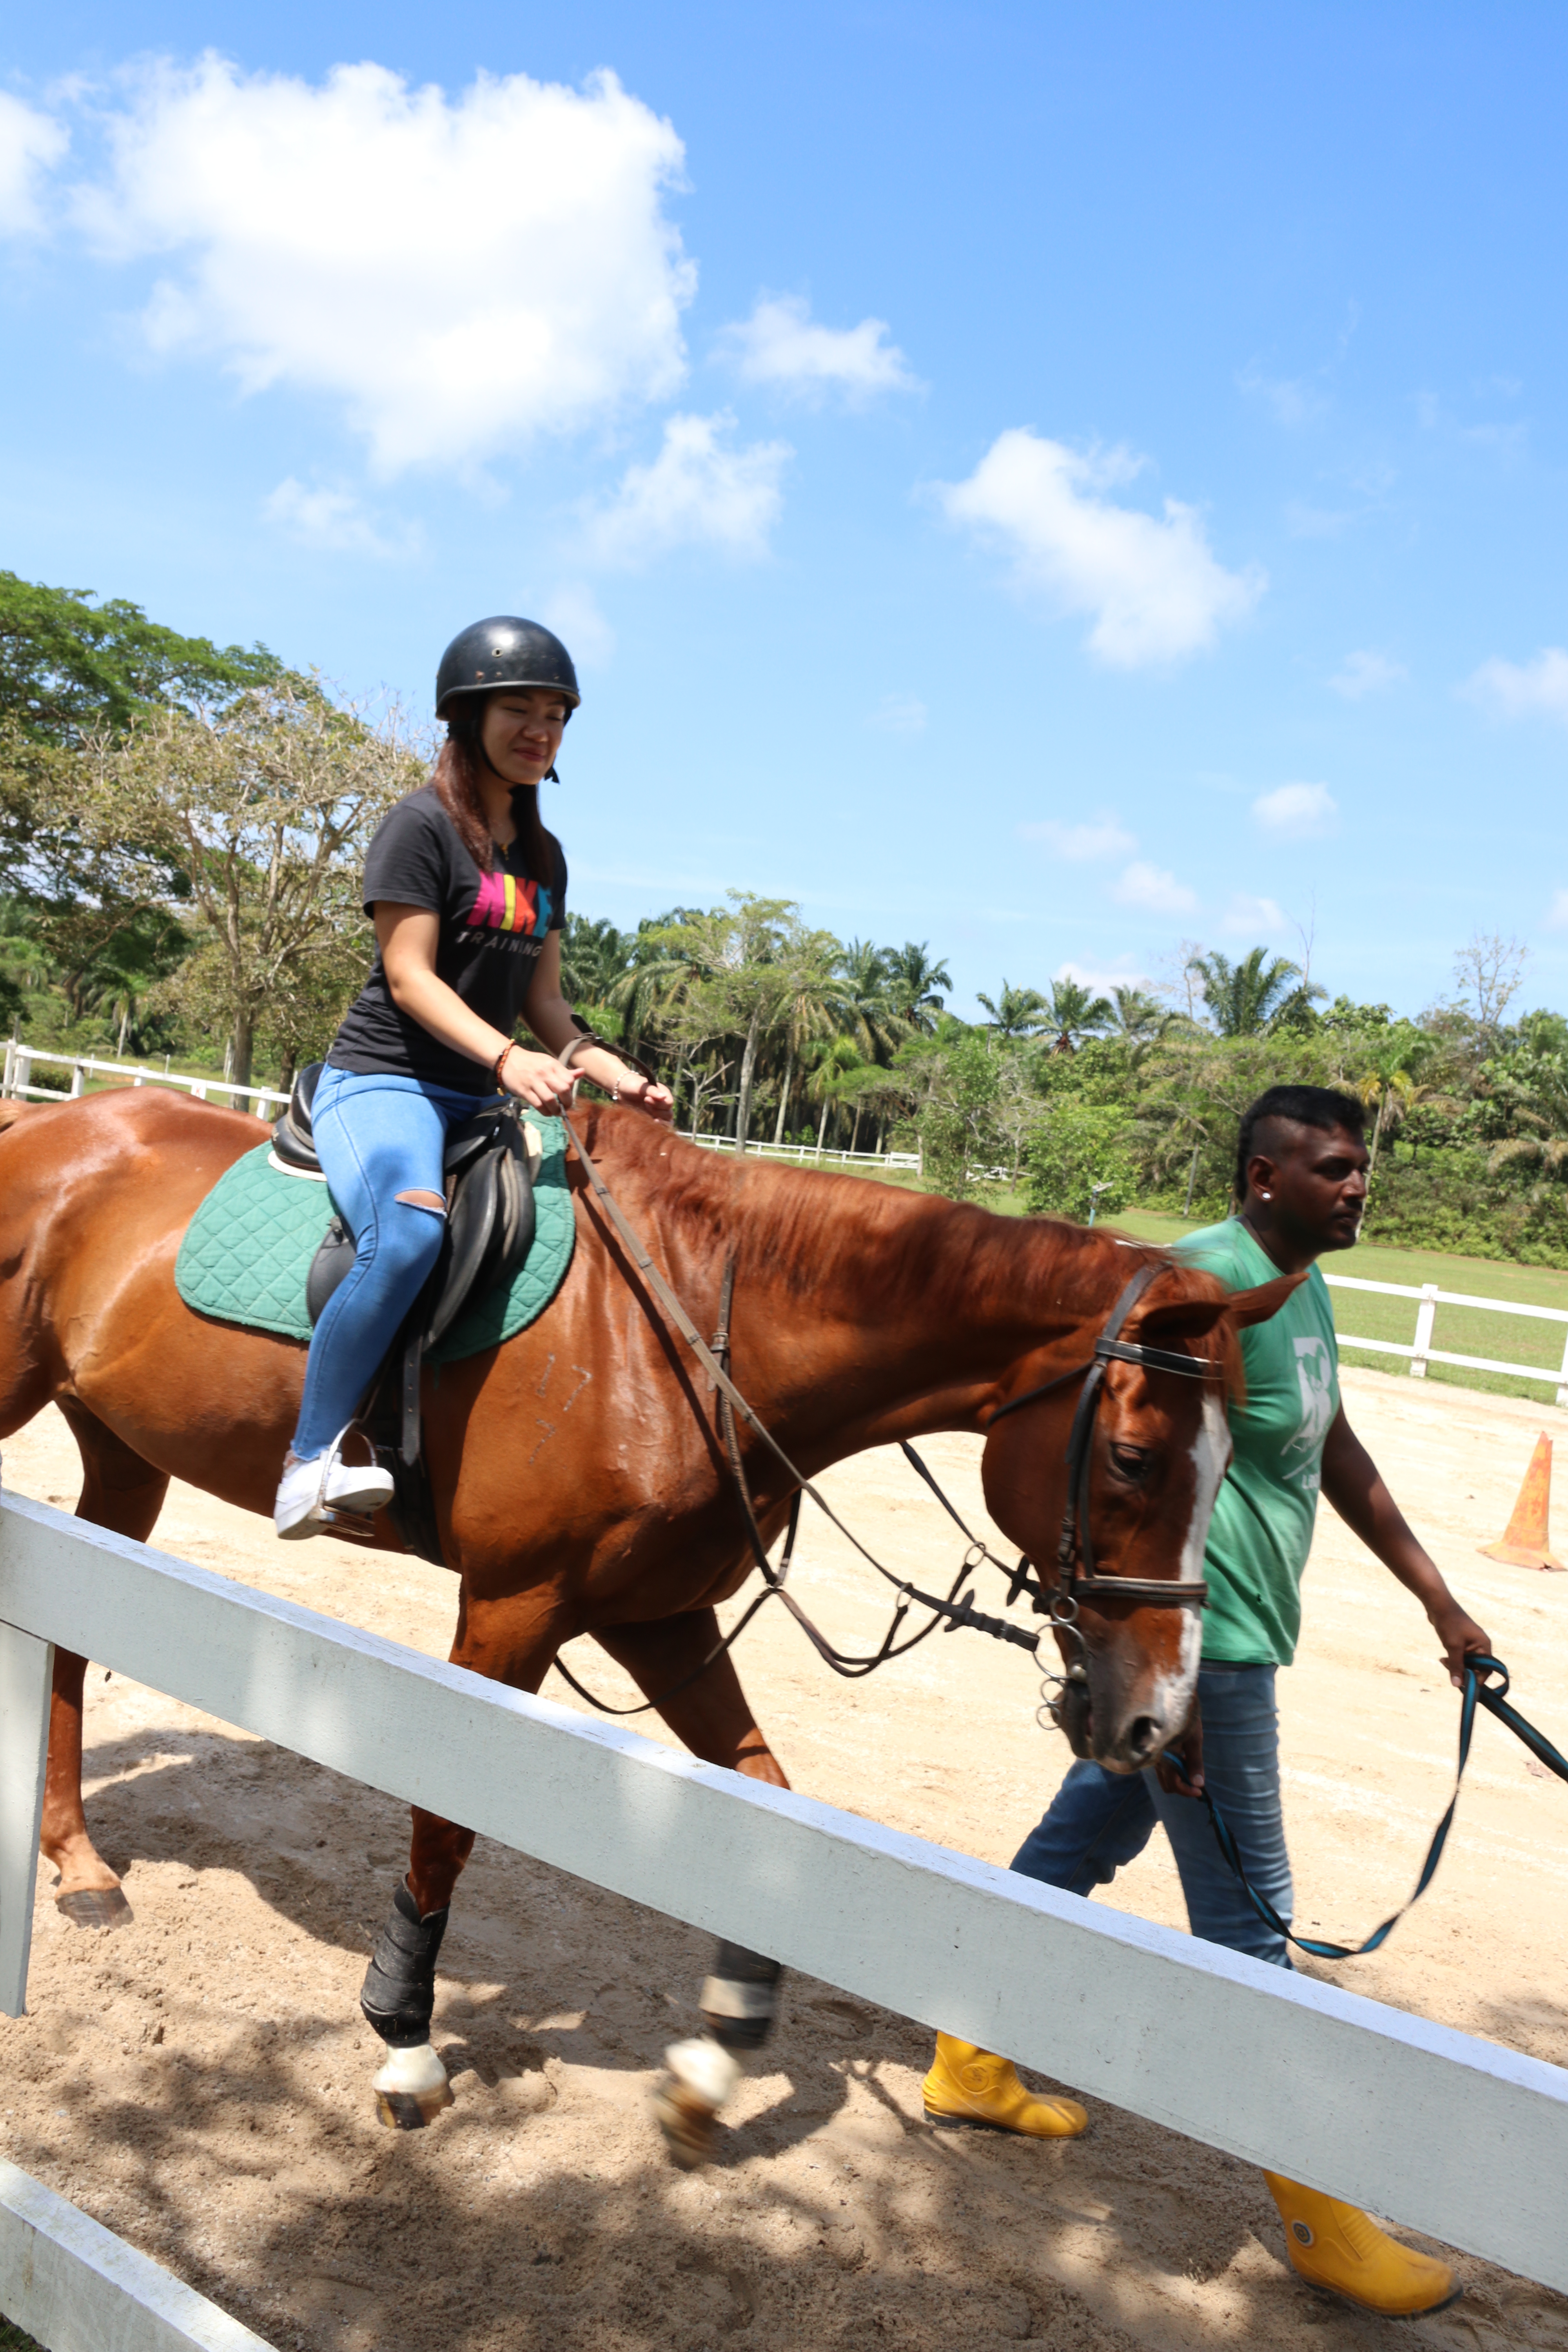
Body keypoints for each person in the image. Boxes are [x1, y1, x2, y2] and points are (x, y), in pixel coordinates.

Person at [921, 1085, 1490, 2320]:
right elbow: (1127, 1462)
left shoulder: (1295, 1285)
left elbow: (1331, 1448)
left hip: (1228, 1648)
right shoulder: (1198, 1291)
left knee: (1086, 1836)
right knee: (1252, 1924)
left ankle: (968, 2054)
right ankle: (1321, 2211)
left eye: (1360, 1168)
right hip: (1200, 1653)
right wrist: (1163, 1690)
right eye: (1333, 1168)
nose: (1357, 1186)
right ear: (1262, 1176)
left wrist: (1438, 1602)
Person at [272, 616, 673, 1540]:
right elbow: (410, 977)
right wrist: (502, 1057)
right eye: (519, 710)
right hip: (386, 1082)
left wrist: (607, 1067)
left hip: (483, 1095)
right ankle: (308, 1463)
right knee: (408, 1236)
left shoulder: (543, 855)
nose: (540, 730)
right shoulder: (418, 827)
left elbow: (545, 1002)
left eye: (555, 715)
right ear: (467, 716)